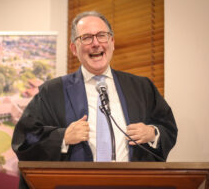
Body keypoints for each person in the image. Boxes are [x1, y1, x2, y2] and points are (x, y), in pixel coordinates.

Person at [11, 11, 177, 187]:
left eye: (101, 36)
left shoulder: (142, 87)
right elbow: (24, 138)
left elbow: (168, 127)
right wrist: (63, 137)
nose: (96, 43)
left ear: (112, 42)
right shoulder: (52, 92)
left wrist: (152, 133)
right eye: (87, 38)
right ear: (74, 49)